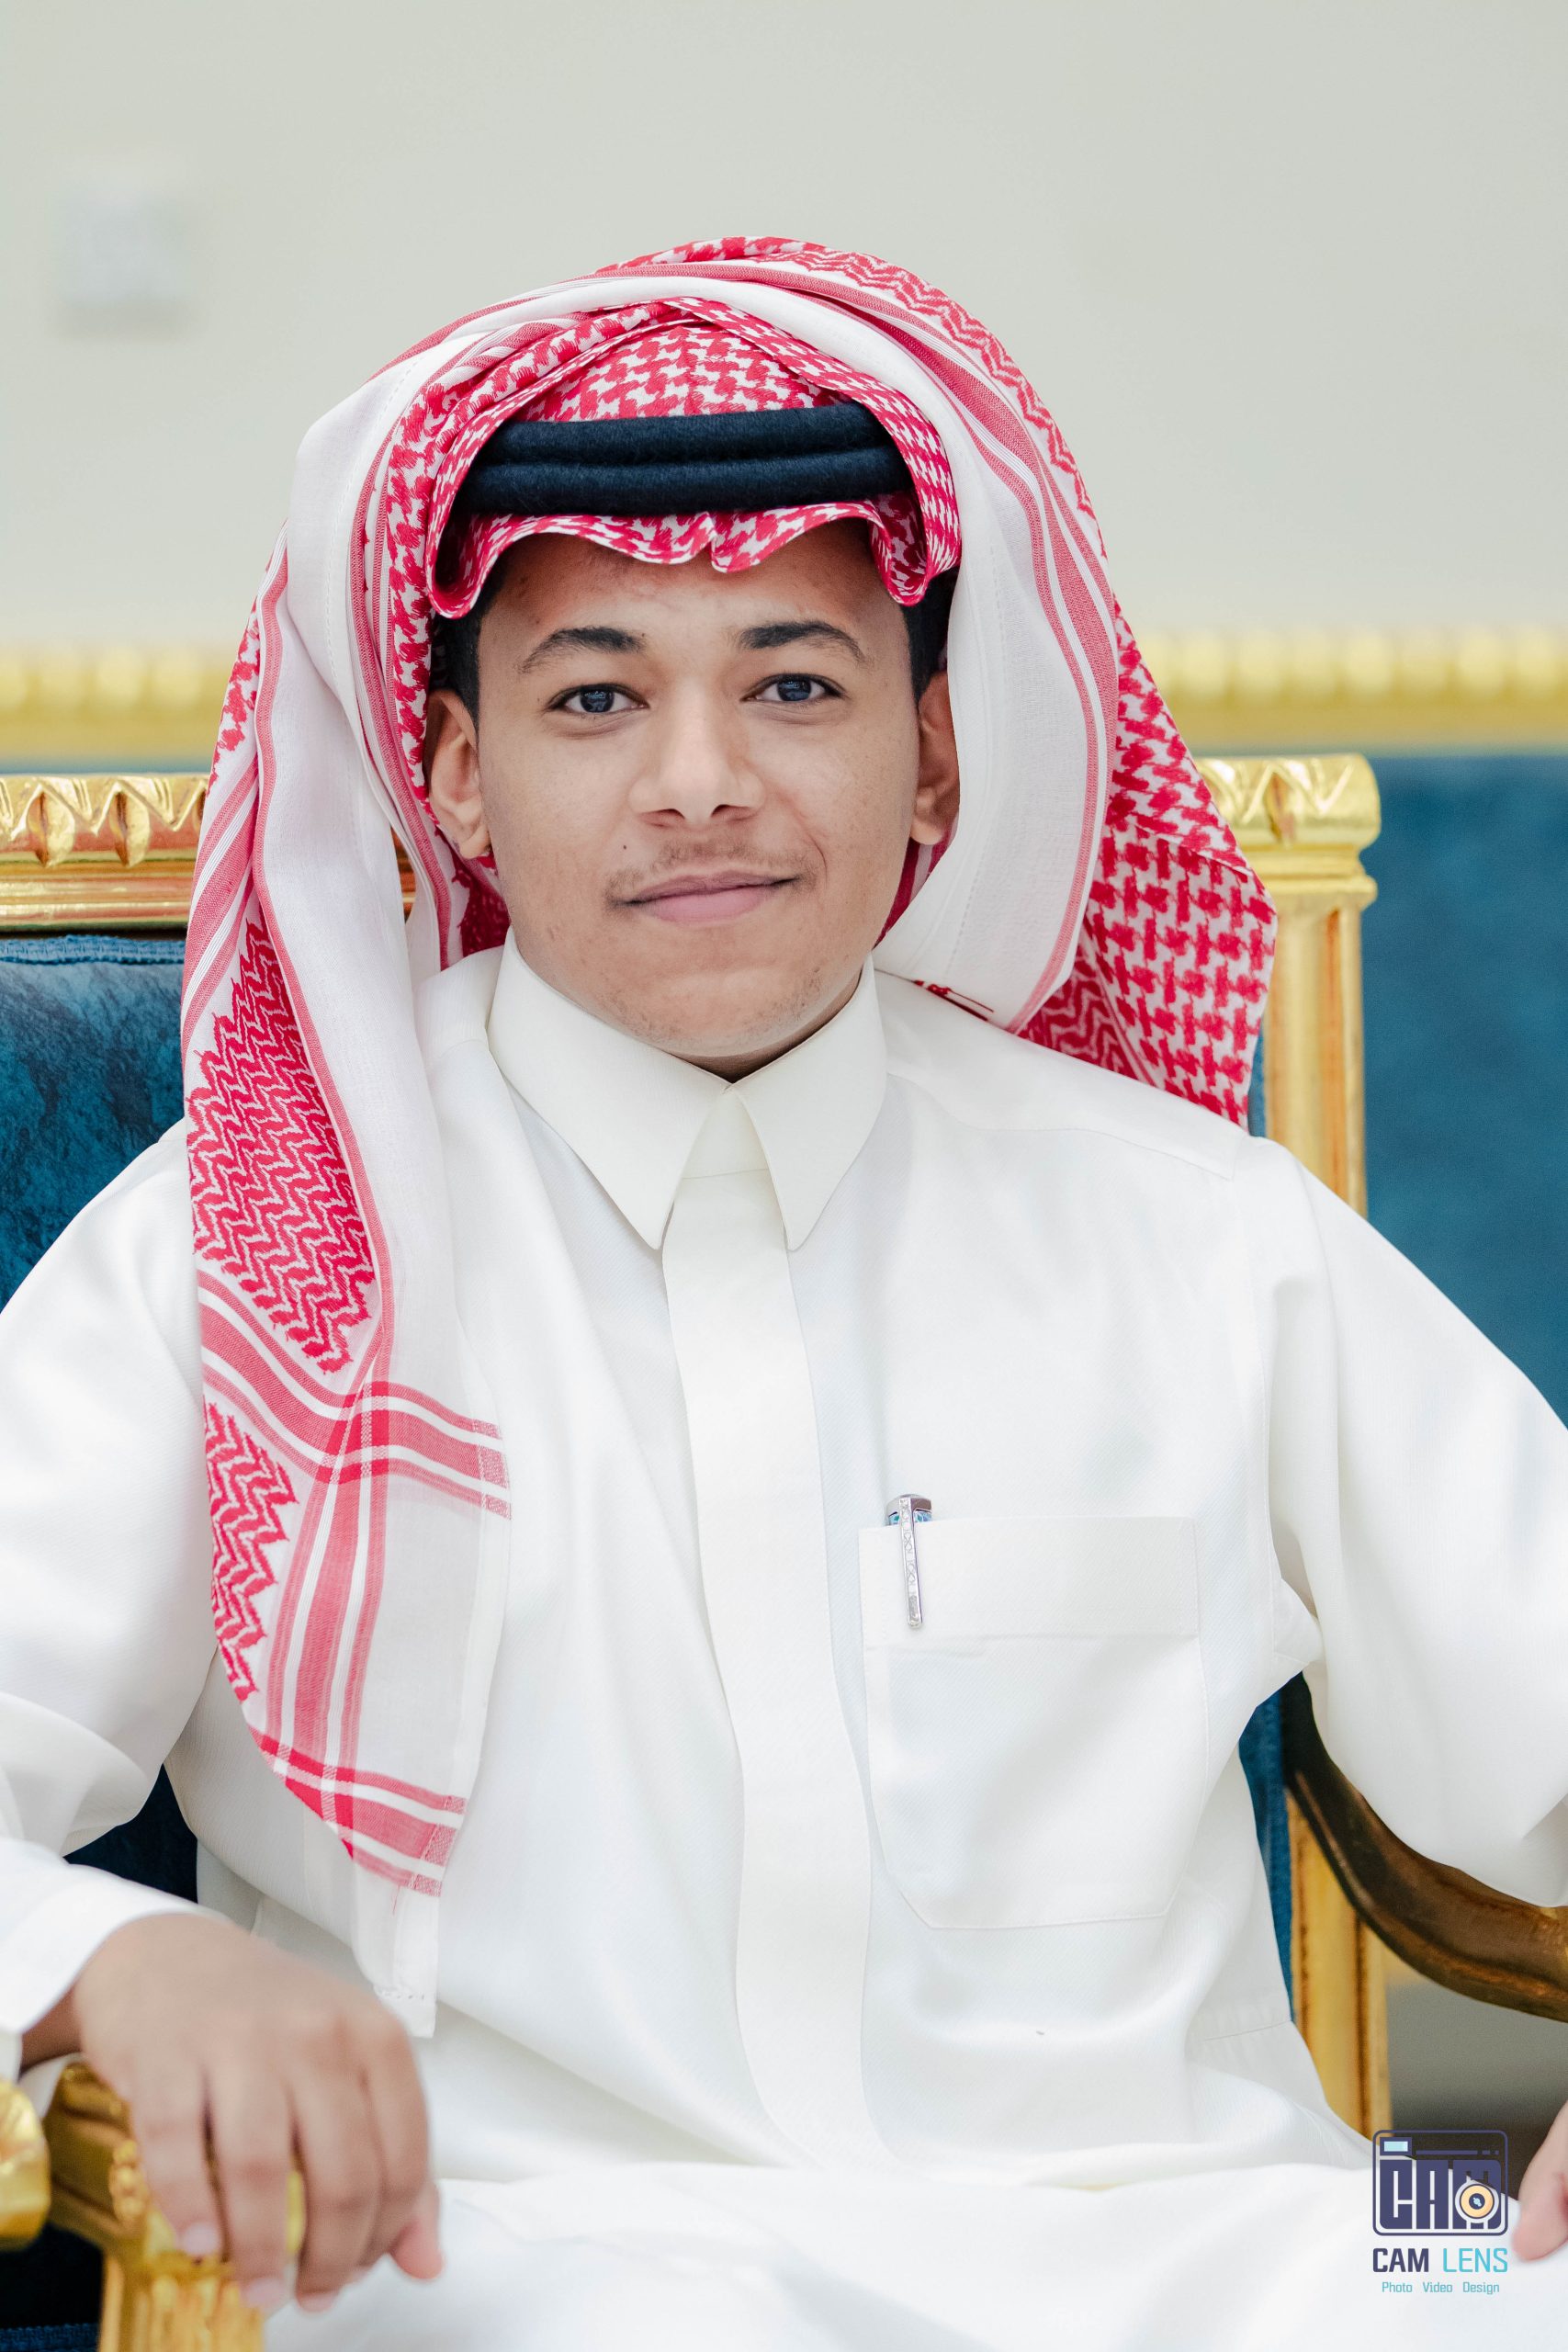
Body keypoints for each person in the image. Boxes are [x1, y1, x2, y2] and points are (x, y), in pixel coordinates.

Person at [2, 238, 1566, 2348]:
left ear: (931, 759)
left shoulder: (1194, 1229)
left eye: (793, 684)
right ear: (450, 771)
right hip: (509, 2263)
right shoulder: (250, 1247)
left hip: (1209, 2246)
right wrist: (123, 1958)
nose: (698, 777)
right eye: (592, 695)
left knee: (1493, 2261)